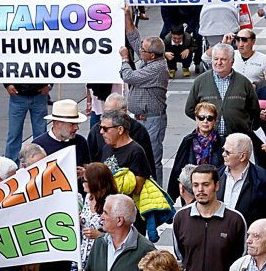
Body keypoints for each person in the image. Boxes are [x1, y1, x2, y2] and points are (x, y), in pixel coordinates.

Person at [172, 164, 247, 271]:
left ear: (216, 186)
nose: (200, 190)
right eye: (196, 185)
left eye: (206, 185)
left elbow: (241, 260)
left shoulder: (235, 220)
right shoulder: (180, 218)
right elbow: (180, 258)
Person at [120, 36, 169, 180]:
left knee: (152, 159)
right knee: (135, 156)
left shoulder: (157, 68)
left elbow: (129, 76)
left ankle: (157, 193)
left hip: (152, 120)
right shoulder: (148, 61)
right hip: (138, 119)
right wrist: (128, 16)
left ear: (152, 55)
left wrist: (125, 59)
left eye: (143, 50)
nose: (140, 51)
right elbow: (135, 39)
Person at [184, 44, 259, 138]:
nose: (218, 62)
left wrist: (244, 125)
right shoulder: (200, 81)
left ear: (232, 62)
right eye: (216, 59)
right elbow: (189, 109)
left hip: (237, 139)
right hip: (209, 140)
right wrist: (204, 121)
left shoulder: (244, 82)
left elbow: (254, 110)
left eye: (223, 59)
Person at [167, 101, 224, 202]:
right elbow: (178, 168)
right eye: (201, 118)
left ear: (215, 121)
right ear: (196, 120)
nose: (205, 121)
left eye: (209, 118)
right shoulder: (188, 141)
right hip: (191, 192)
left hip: (215, 192)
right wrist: (171, 196)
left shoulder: (221, 143)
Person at [83, 194, 154, 271]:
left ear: (119, 221)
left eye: (105, 213)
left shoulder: (147, 251)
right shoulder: (99, 242)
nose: (101, 217)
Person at [218, 133, 266, 225]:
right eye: (223, 150)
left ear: (242, 156)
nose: (223, 154)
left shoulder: (263, 180)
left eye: (228, 152)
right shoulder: (216, 175)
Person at [32, 99, 92, 173]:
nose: (77, 128)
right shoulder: (38, 145)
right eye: (72, 124)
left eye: (77, 124)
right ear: (57, 123)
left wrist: (85, 173)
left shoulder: (81, 141)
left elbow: (88, 167)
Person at [79, 162, 118, 268]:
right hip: (82, 255)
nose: (82, 183)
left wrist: (99, 235)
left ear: (95, 182)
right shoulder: (88, 197)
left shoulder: (113, 203)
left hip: (100, 256)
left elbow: (121, 234)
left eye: (85, 180)